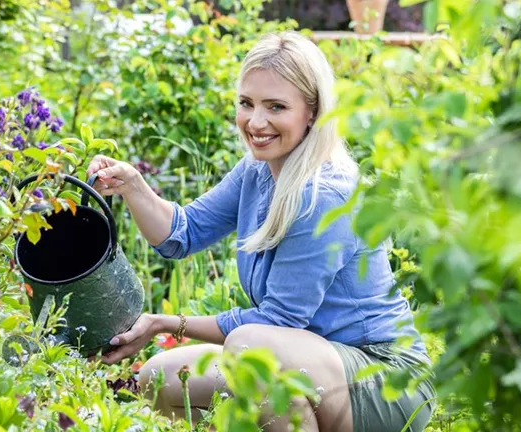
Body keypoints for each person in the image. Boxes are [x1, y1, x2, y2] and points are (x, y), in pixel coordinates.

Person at [86, 31, 435, 432]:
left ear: (313, 112)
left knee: (253, 347)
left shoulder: (325, 195)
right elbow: (181, 233)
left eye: (276, 107)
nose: (255, 122)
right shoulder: (257, 172)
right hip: (306, 364)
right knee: (158, 378)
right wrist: (132, 185)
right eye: (246, 103)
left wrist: (166, 322)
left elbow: (278, 323)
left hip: (383, 382)